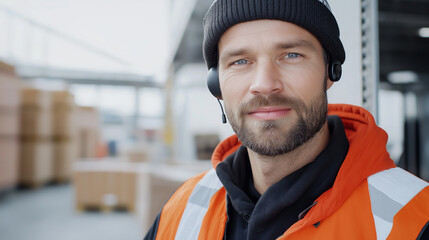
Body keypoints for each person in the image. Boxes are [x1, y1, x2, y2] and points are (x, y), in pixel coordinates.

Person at [144, 0, 429, 239]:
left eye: (291, 55)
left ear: (330, 72)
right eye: (240, 61)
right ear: (216, 85)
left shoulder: (415, 220)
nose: (265, 84)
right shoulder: (181, 212)